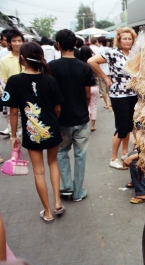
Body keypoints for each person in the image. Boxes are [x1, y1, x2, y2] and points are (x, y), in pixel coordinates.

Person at [1, 42, 65, 223]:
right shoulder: (50, 79)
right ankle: (58, 203)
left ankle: (47, 212)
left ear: (22, 58)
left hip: (31, 132)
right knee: (53, 163)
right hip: (52, 128)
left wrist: (14, 136)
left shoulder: (14, 81)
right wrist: (55, 124)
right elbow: (58, 108)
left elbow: (13, 112)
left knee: (38, 172)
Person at [48, 29, 95, 201]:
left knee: (61, 152)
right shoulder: (84, 67)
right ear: (75, 44)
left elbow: (51, 95)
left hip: (60, 120)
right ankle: (78, 192)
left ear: (58, 45)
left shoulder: (51, 67)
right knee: (80, 156)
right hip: (81, 118)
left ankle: (66, 187)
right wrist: (86, 109)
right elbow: (88, 94)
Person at [88, 27, 138, 170]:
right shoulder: (112, 53)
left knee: (129, 126)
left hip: (133, 94)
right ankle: (113, 158)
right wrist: (104, 77)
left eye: (130, 38)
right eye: (125, 38)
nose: (127, 41)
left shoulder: (135, 54)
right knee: (121, 128)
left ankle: (124, 153)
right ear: (119, 40)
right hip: (119, 95)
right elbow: (91, 61)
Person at [0, 29, 25, 138]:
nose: (17, 43)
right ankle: (16, 150)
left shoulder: (28, 58)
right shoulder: (4, 60)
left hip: (29, 97)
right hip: (14, 97)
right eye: (14, 41)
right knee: (14, 127)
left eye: (19, 40)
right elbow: (3, 79)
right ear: (9, 43)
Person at [80, 46, 99, 131]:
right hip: (95, 86)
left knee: (86, 105)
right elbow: (97, 75)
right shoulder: (94, 63)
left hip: (84, 88)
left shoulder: (80, 65)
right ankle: (93, 125)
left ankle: (86, 123)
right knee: (94, 105)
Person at [95, 36, 111, 109]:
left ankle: (107, 103)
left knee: (103, 89)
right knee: (110, 89)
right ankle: (111, 102)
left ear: (100, 42)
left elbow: (95, 61)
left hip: (101, 71)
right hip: (109, 71)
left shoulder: (98, 50)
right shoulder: (110, 49)